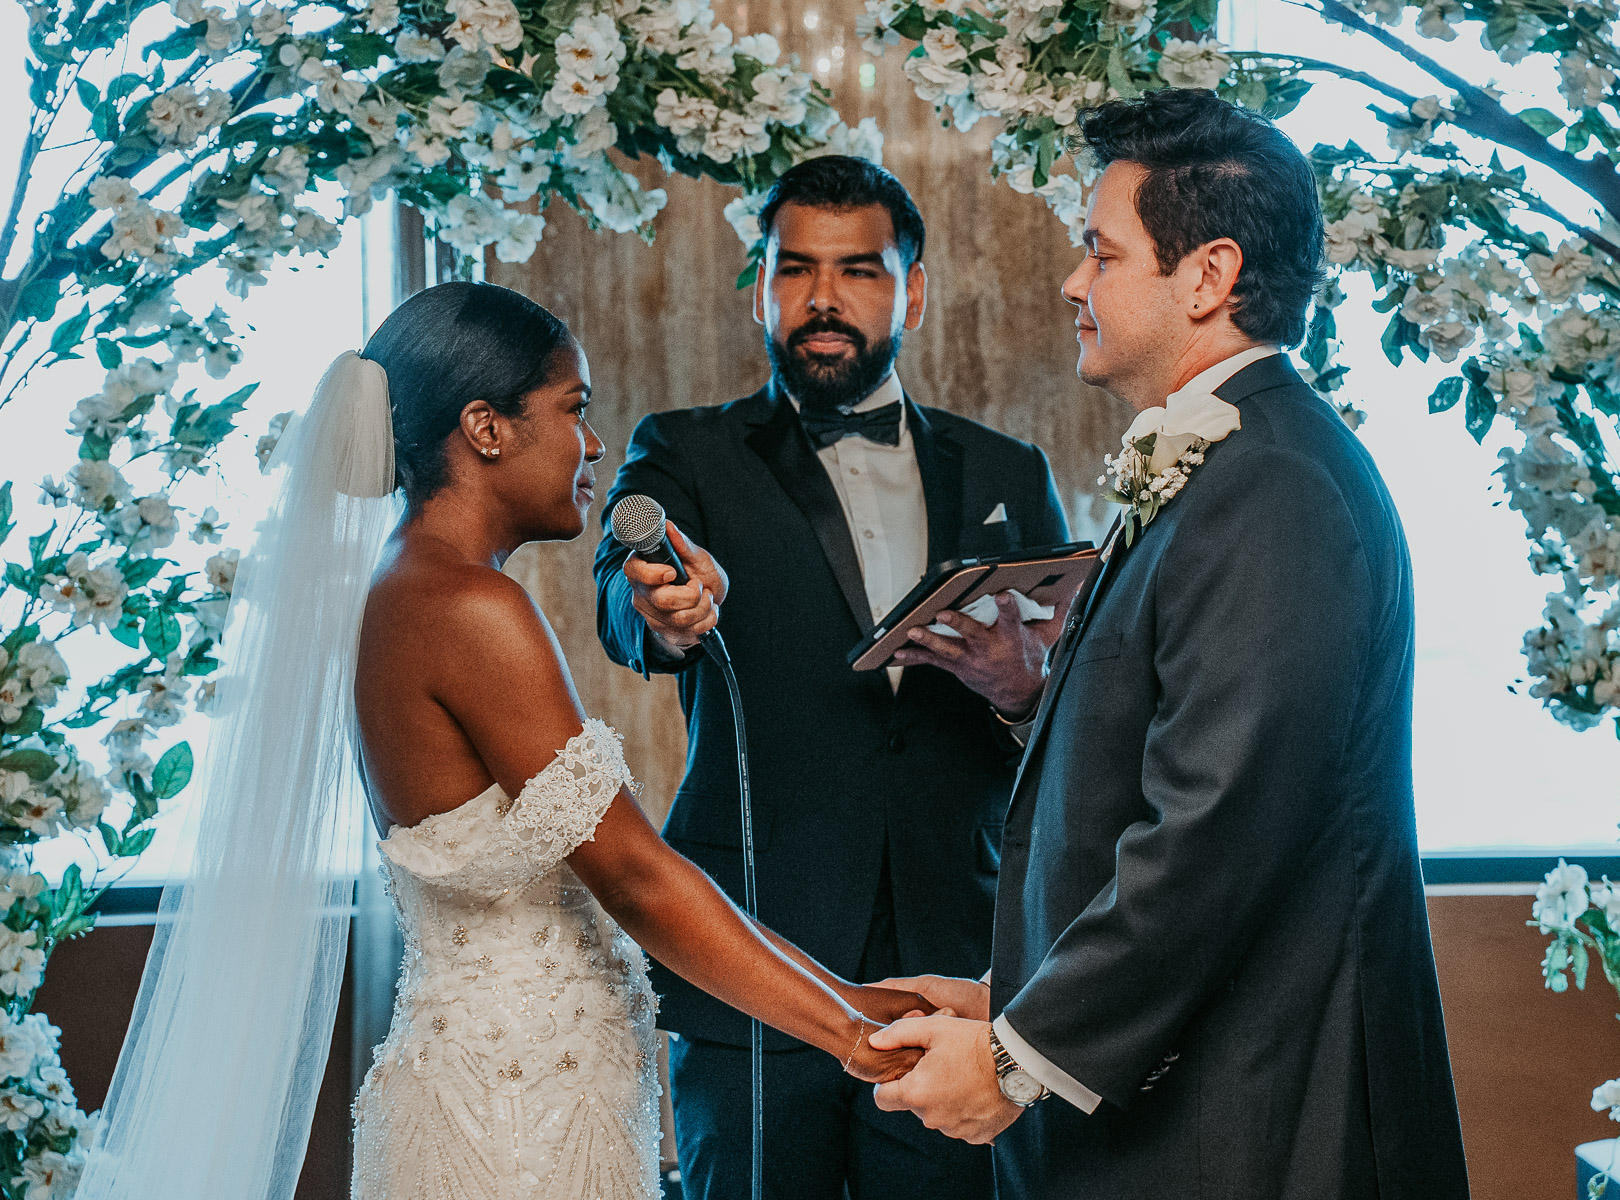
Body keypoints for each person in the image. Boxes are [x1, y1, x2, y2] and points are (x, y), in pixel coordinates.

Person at [73, 282, 929, 1200]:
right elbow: (634, 876)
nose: (593, 444)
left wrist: (853, 1004)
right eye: (573, 409)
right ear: (486, 428)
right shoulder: (471, 607)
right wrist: (849, 1029)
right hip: (519, 1122)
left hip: (504, 1087)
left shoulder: (406, 589)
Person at [866, 91, 1471, 1199]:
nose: (1073, 284)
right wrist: (1014, 990)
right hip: (1179, 1104)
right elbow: (1160, 767)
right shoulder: (1229, 463)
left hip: (1251, 1123)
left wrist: (1019, 1056)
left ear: (1207, 277)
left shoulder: (1273, 486)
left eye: (1101, 252)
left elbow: (1214, 823)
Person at [593, 156, 1069, 1200]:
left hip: (955, 960)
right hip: (753, 953)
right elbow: (624, 591)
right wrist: (659, 609)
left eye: (858, 270)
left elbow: (1077, 722)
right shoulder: (684, 450)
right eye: (794, 268)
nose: (822, 298)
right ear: (758, 283)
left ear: (915, 289)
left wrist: (1023, 691)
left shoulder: (1010, 473)